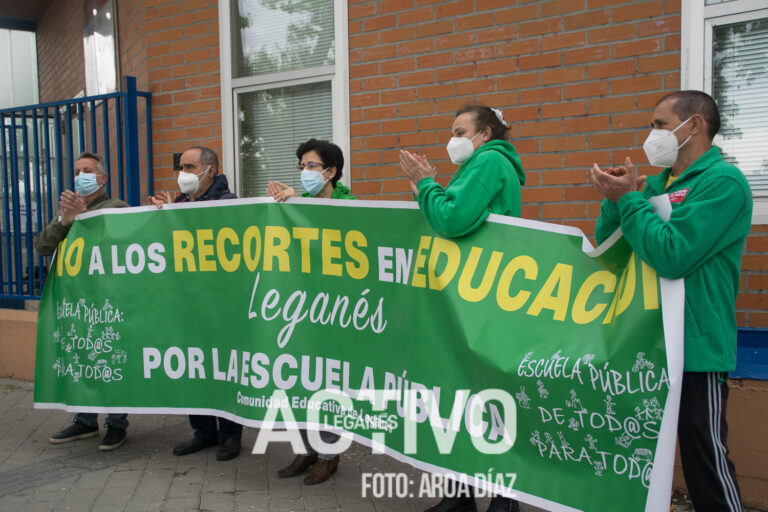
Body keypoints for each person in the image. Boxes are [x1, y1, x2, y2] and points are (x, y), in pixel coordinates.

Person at [590, 90, 750, 512]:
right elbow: (611, 251)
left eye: (660, 124)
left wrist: (629, 201)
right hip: (646, 342)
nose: (652, 133)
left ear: (693, 126)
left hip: (695, 348)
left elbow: (673, 256)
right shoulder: (658, 183)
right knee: (634, 457)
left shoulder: (723, 183)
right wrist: (615, 201)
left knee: (704, 460)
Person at [400, 105, 525, 512]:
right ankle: (461, 493)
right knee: (463, 395)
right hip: (470, 296)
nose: (452, 139)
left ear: (485, 134)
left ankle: (503, 499)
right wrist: (430, 188)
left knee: (486, 398)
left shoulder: (488, 162)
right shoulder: (478, 166)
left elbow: (451, 220)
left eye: (459, 131)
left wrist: (424, 185)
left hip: (483, 297)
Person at [266, 138, 353, 485]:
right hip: (300, 310)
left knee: (327, 384)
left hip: (335, 312)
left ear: (331, 172)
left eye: (312, 166)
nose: (304, 172)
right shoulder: (295, 206)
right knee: (297, 381)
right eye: (301, 166)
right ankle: (305, 450)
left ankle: (329, 456)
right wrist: (289, 206)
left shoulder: (353, 207)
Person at [149, 146, 243, 462]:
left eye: (189, 167)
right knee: (194, 368)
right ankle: (203, 432)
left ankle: (230, 436)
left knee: (224, 369)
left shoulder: (228, 204)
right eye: (181, 166)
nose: (183, 173)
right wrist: (161, 216)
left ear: (210, 170)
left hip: (220, 304)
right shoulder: (180, 204)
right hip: (187, 304)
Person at [35, 151, 130, 451]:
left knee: (112, 360)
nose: (81, 176)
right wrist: (65, 221)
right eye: (77, 171)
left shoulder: (117, 208)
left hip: (109, 301)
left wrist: (82, 220)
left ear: (102, 178)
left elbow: (125, 245)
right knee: (81, 359)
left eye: (88, 170)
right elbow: (42, 246)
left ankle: (117, 425)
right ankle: (85, 420)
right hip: (76, 304)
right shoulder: (67, 210)